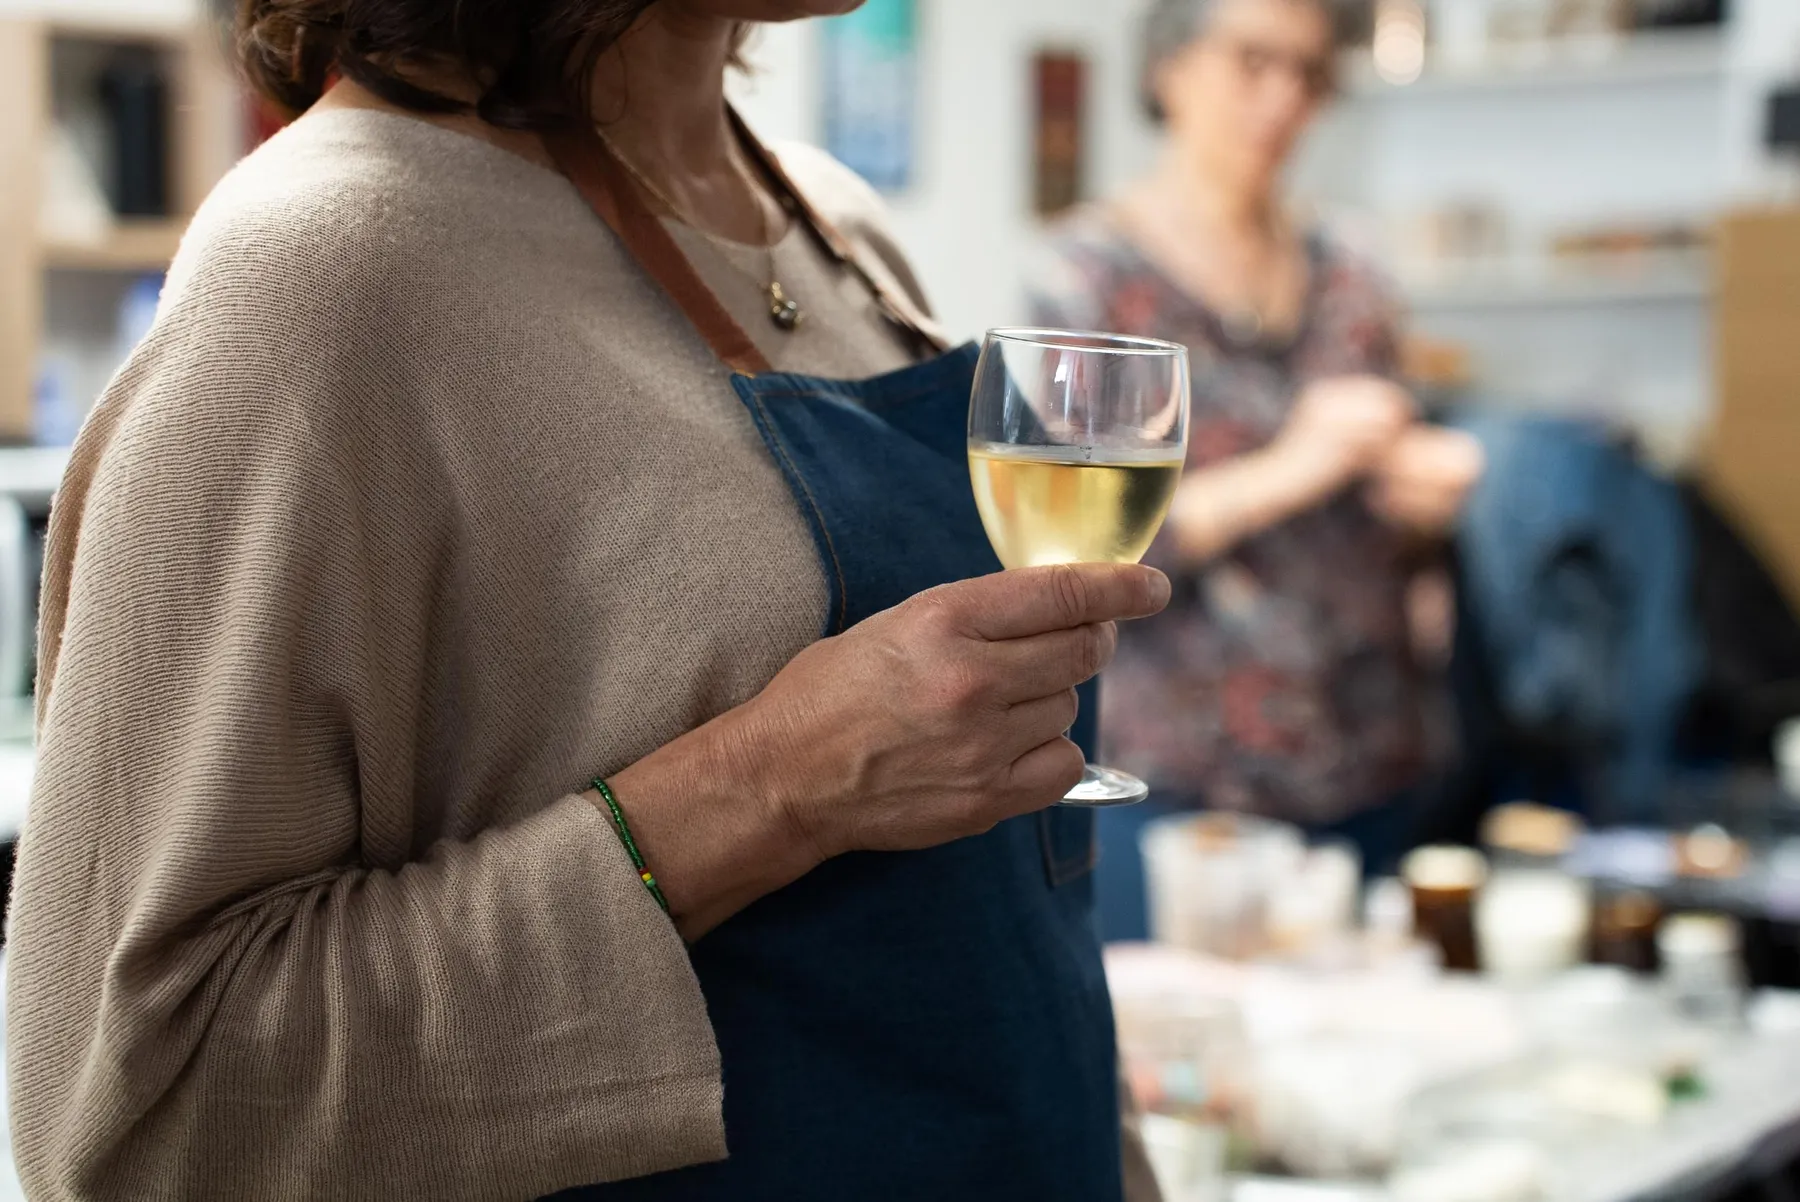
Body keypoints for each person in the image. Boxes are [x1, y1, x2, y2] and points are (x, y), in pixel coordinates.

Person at [5, 3, 1171, 1199]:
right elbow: (137, 1107)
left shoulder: (839, 232)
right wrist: (773, 785)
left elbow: (1019, 930)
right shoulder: (323, 260)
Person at [1026, 0, 1484, 939]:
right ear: (1168, 68)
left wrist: (1423, 500)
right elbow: (1067, 556)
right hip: (1181, 786)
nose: (1284, 100)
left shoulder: (1352, 266)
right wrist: (1297, 466)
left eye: (1311, 75)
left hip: (1373, 761)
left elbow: (1394, 523)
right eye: (1253, 62)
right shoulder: (1089, 279)